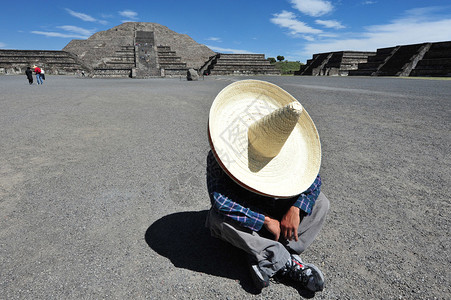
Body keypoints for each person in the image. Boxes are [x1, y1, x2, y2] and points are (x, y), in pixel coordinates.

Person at [205, 80, 329, 294]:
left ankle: (266, 252)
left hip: (279, 212)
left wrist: (295, 208)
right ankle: (281, 258)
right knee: (217, 219)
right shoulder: (220, 157)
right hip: (250, 216)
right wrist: (264, 220)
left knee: (321, 202)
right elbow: (220, 200)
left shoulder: (290, 154)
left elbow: (314, 180)